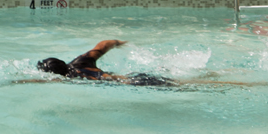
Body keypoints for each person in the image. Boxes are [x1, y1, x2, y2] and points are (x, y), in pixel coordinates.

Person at [33, 40, 177, 87]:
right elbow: (102, 45)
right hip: (133, 77)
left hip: (134, 83)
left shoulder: (70, 77)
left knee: (186, 85)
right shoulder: (80, 62)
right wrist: (118, 42)